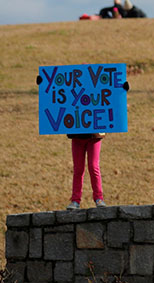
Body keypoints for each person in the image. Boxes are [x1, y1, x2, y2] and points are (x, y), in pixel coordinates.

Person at [35, 74, 130, 209]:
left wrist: (123, 88)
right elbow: (55, 94)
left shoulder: (97, 89)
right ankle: (76, 200)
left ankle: (98, 198)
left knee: (93, 166)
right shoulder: (72, 89)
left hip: (94, 136)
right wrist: (43, 83)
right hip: (78, 135)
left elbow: (111, 95)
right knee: (78, 169)